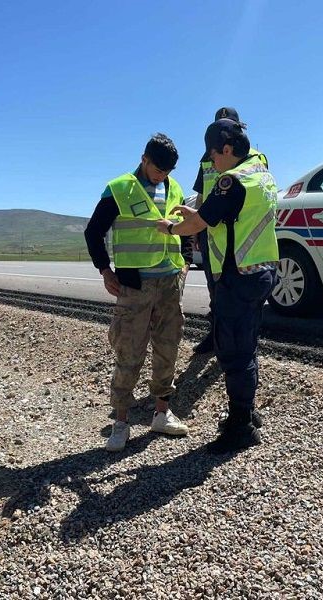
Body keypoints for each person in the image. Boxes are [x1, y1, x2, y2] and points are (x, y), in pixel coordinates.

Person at [157, 119, 279, 453]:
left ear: (227, 149)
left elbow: (198, 223)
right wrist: (197, 214)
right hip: (261, 271)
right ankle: (248, 413)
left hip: (236, 277)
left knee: (234, 354)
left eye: (213, 155)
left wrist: (170, 228)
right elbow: (224, 215)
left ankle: (240, 428)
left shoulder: (232, 182)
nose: (211, 162)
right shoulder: (261, 174)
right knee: (247, 346)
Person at [84, 133, 193, 452]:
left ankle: (161, 413)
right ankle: (120, 423)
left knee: (168, 347)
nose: (162, 176)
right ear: (144, 159)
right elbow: (93, 231)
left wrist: (185, 262)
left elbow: (185, 227)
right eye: (158, 169)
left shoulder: (175, 188)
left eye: (168, 171)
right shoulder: (119, 188)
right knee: (129, 352)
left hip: (170, 282)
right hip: (134, 285)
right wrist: (105, 270)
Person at [190, 107, 268, 355]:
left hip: (240, 231)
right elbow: (202, 194)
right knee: (215, 289)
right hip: (209, 227)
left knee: (243, 292)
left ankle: (244, 343)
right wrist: (197, 230)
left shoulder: (255, 157)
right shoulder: (207, 157)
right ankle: (217, 336)